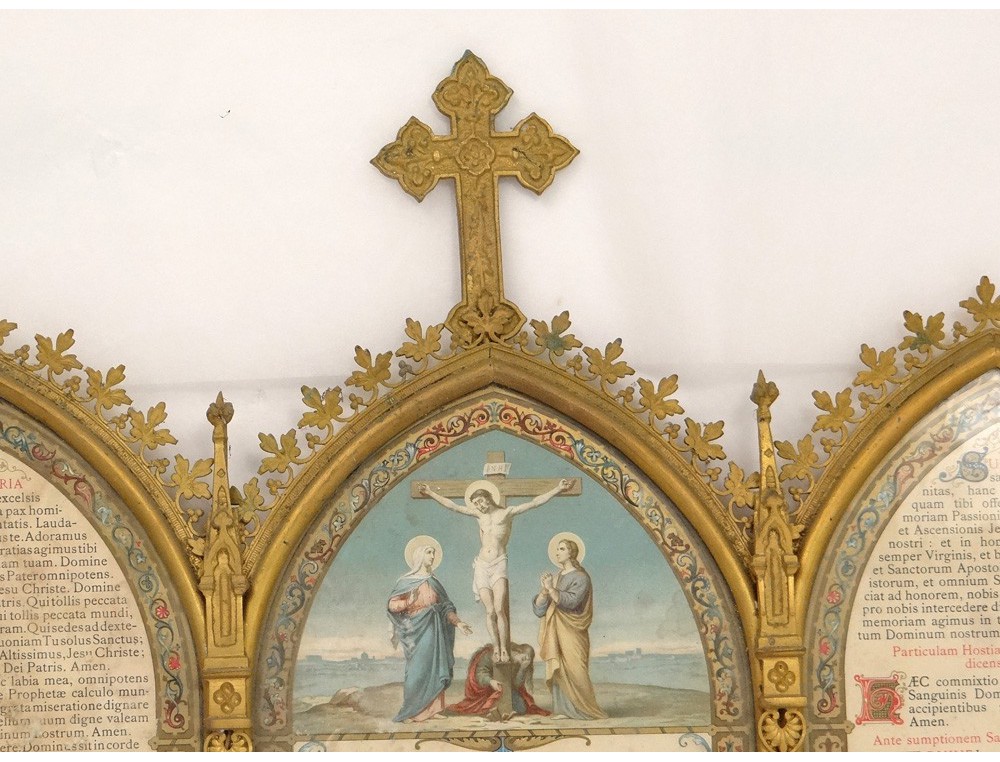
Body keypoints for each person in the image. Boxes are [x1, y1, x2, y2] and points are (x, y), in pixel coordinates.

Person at [418, 478, 571, 664]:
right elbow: (453, 506)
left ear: (488, 498)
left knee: (499, 609)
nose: (478, 506)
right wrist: (431, 493)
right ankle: (497, 648)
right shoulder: (478, 515)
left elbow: (534, 502)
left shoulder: (506, 513)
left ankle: (504, 648)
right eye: (475, 504)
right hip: (482, 565)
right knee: (489, 611)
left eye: (480, 501)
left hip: (498, 563)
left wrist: (558, 489)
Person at [387, 538, 472, 723]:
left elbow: (446, 607)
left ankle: (434, 710)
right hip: (415, 630)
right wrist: (409, 601)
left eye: (433, 552)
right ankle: (411, 712)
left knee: (435, 666)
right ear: (419, 555)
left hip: (435, 629)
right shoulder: (406, 581)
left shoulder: (434, 582)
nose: (432, 556)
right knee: (417, 670)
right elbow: (392, 605)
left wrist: (458, 623)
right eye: (428, 552)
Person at [533, 535, 607, 720]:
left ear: (571, 553)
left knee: (576, 669)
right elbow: (540, 610)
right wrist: (544, 591)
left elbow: (571, 602)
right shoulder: (556, 577)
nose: (557, 552)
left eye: (562, 549)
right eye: (557, 549)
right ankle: (563, 710)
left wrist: (551, 589)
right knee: (559, 668)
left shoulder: (581, 577)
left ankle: (586, 709)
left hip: (573, 630)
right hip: (556, 630)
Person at [446, 642, 549, 719]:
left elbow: (516, 685)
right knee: (487, 706)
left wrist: (522, 669)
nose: (526, 660)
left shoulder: (520, 664)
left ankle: (505, 713)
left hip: (506, 689)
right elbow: (480, 673)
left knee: (521, 708)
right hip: (487, 690)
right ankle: (495, 713)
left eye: (528, 660)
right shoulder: (492, 654)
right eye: (525, 657)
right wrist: (491, 681)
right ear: (518, 651)